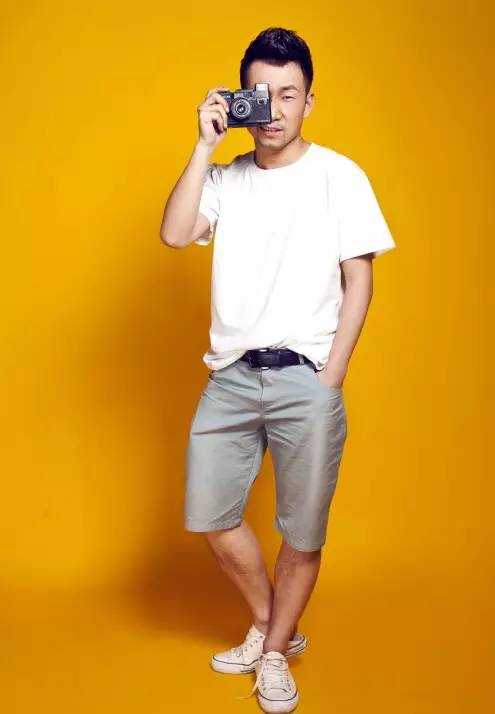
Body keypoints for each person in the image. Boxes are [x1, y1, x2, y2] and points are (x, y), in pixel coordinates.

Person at [160, 26, 396, 714]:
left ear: (309, 101)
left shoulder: (339, 176)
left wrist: (332, 375)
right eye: (261, 95)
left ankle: (270, 654)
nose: (274, 110)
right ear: (241, 98)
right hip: (231, 376)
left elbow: (359, 279)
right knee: (211, 516)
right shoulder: (225, 179)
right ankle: (275, 629)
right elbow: (174, 234)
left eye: (288, 95)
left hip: (306, 377)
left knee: (302, 532)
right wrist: (203, 147)